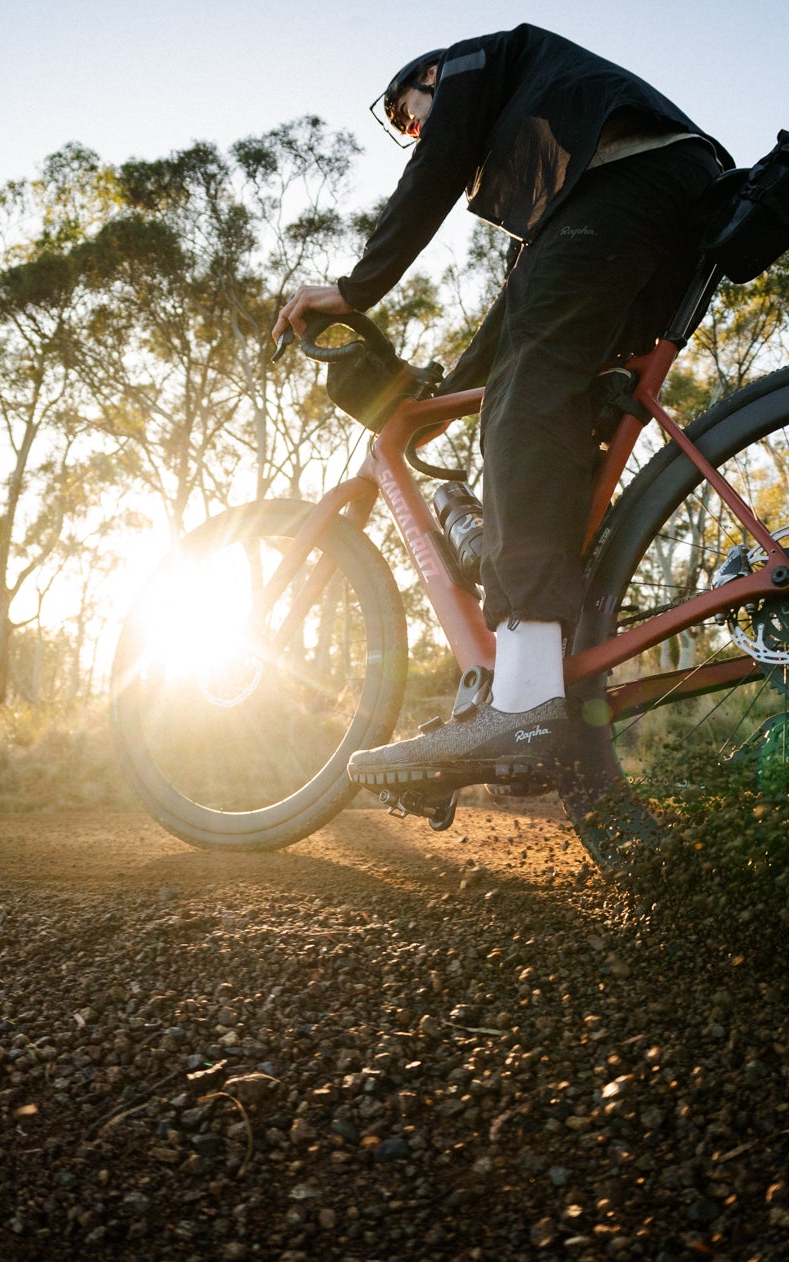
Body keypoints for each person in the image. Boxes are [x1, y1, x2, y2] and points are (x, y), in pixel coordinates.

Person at [272, 24, 728, 793]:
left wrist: (356, 289)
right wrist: (451, 393)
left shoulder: (476, 64)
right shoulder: (555, 176)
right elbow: (520, 306)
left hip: (641, 182)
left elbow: (437, 164)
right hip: (659, 198)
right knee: (542, 393)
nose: (412, 127)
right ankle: (555, 674)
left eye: (404, 110)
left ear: (429, 75)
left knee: (526, 402)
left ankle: (523, 694)